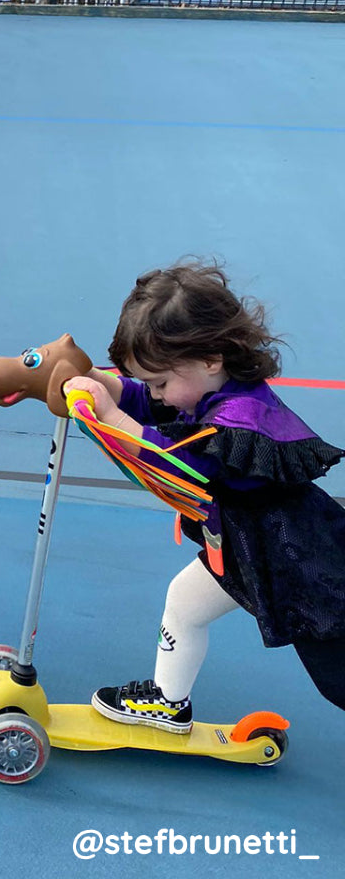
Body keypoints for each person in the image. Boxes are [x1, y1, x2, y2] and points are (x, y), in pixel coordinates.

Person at [64, 262, 345, 732]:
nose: (157, 394)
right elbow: (147, 402)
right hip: (244, 548)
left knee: (337, 675)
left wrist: (109, 413)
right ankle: (168, 702)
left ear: (211, 359)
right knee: (185, 602)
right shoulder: (204, 386)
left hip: (298, 562)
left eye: (160, 382)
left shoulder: (241, 418)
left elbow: (177, 460)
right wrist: (94, 379)